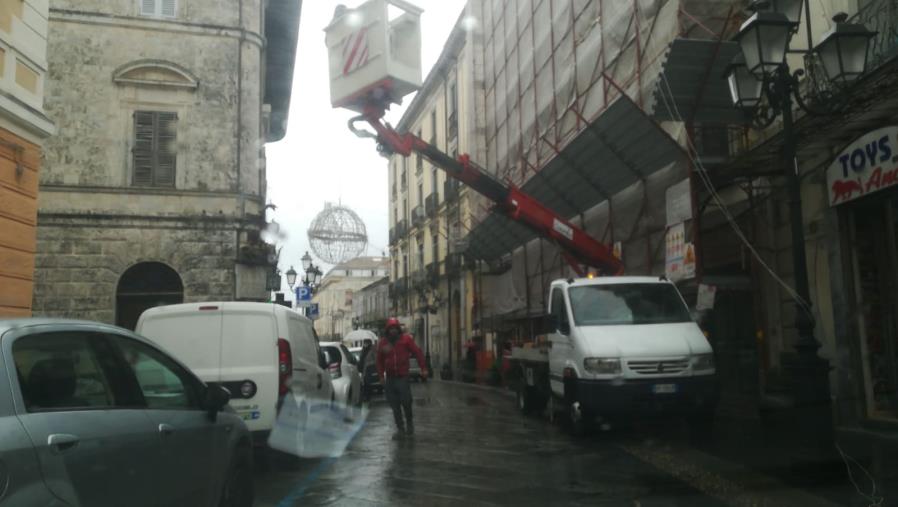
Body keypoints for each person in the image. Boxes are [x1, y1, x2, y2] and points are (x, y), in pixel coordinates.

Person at [376, 318, 427, 439]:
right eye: (391, 329)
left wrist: (423, 368)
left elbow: (417, 352)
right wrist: (380, 376)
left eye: (395, 328)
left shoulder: (406, 340)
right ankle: (400, 428)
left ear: (398, 329)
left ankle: (409, 424)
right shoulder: (383, 343)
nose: (393, 331)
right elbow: (379, 361)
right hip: (390, 378)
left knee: (406, 402)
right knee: (395, 405)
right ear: (387, 330)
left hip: (402, 377)